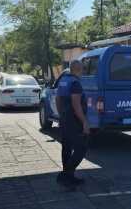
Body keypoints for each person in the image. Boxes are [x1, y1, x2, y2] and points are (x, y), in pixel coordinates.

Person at [55, 60, 89, 188]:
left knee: (67, 147)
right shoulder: (75, 83)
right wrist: (84, 122)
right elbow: (76, 105)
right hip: (74, 121)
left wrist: (61, 115)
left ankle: (69, 177)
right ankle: (65, 175)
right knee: (81, 147)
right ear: (79, 70)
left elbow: (57, 99)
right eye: (83, 70)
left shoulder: (63, 81)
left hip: (64, 119)